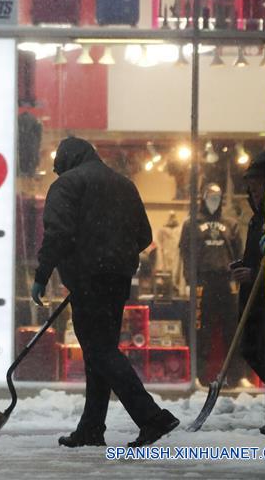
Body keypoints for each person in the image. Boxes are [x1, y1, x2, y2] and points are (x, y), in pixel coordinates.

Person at [31, 137, 179, 448]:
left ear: (66, 162)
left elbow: (58, 234)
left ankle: (152, 417)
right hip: (118, 280)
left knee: (99, 350)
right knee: (100, 351)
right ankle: (91, 427)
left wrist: (43, 275)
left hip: (87, 279)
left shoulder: (67, 185)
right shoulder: (124, 184)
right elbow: (144, 235)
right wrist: (114, 255)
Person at [179, 183, 244, 385]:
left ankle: (236, 376)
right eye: (210, 197)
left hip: (226, 280)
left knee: (232, 329)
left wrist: (238, 279)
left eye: (217, 197)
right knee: (201, 330)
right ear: (203, 198)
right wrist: (189, 280)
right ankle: (199, 375)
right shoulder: (191, 224)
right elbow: (186, 254)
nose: (213, 201)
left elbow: (238, 253)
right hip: (202, 281)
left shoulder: (230, 223)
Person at [230, 151, 265, 385]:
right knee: (251, 348)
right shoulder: (257, 220)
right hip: (253, 300)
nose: (254, 193)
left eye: (258, 187)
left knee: (257, 350)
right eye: (251, 189)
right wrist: (245, 267)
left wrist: (254, 275)